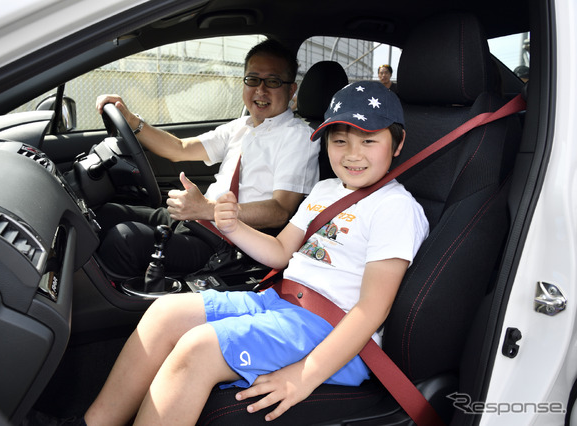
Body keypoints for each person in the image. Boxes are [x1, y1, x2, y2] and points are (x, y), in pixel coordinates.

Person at [83, 81, 429, 425]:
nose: (353, 154)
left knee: (198, 349)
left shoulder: (395, 207)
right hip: (280, 302)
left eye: (369, 140)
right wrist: (233, 225)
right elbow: (281, 252)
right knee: (165, 314)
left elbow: (372, 308)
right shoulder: (325, 190)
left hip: (330, 331)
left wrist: (303, 376)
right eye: (339, 141)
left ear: (397, 144)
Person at [95, 39, 319, 277]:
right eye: (252, 80)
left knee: (125, 240)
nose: (260, 90)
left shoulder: (299, 137)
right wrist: (132, 122)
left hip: (228, 243)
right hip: (197, 221)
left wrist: (208, 209)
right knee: (105, 213)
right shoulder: (241, 127)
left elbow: (280, 210)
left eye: (272, 81)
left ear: (291, 89)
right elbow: (180, 148)